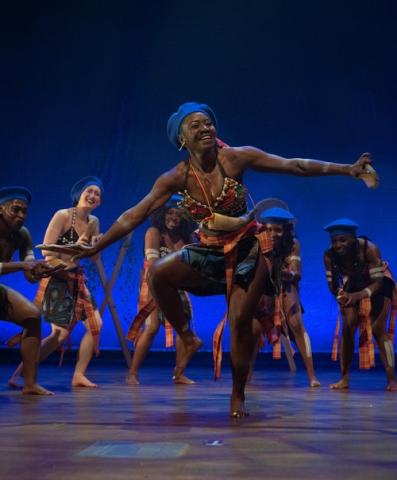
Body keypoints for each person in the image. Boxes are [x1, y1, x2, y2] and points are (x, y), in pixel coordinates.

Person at [65, 101, 376, 416]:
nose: (205, 128)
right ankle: (188, 337)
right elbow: (136, 214)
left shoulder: (235, 157)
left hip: (247, 249)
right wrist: (97, 245)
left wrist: (346, 169)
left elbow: (293, 165)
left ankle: (237, 396)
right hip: (209, 250)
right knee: (158, 273)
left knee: (240, 320)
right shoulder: (176, 176)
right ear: (182, 139)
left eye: (208, 123)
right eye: (195, 125)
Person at [9, 177, 103, 388]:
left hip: (76, 279)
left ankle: (79, 375)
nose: (93, 196)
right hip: (57, 278)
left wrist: (97, 245)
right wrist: (66, 265)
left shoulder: (94, 222)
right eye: (89, 191)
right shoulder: (62, 215)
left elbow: (92, 256)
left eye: (97, 194)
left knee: (95, 324)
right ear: (79, 194)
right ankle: (20, 374)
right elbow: (46, 251)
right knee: (58, 334)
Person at [126, 196, 196, 385]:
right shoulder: (154, 232)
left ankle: (179, 373)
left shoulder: (187, 238)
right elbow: (153, 265)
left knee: (183, 329)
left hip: (177, 285)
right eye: (170, 213)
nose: (174, 217)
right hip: (154, 284)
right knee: (152, 327)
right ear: (163, 214)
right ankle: (132, 373)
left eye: (179, 214)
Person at [323, 218, 397, 391]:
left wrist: (357, 296)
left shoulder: (369, 249)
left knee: (378, 328)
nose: (338, 245)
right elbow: (333, 285)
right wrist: (341, 295)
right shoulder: (329, 255)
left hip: (379, 283)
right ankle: (344, 378)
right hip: (355, 283)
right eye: (334, 241)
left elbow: (378, 283)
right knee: (348, 327)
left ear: (353, 239)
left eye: (343, 240)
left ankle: (392, 378)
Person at [251, 206, 320, 387]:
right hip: (262, 289)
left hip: (284, 286)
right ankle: (246, 376)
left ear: (286, 230)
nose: (273, 234)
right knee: (254, 330)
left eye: (278, 230)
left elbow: (296, 274)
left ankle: (312, 376)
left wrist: (281, 271)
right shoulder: (256, 242)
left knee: (296, 323)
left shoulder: (292, 244)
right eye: (269, 229)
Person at [0, 186, 53, 395]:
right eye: (15, 210)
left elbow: (29, 271)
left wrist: (37, 270)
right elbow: (23, 266)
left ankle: (29, 383)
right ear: (1, 209)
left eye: (24, 211)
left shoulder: (22, 235)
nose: (21, 215)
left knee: (32, 315)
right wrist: (23, 266)